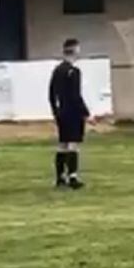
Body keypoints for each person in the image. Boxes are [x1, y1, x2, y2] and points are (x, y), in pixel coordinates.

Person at [48, 38, 93, 189]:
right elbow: (75, 95)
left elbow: (51, 93)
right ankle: (73, 177)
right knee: (72, 144)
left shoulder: (57, 70)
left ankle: (60, 178)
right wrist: (86, 113)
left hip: (61, 112)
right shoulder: (73, 71)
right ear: (75, 50)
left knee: (62, 144)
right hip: (73, 113)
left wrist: (55, 111)